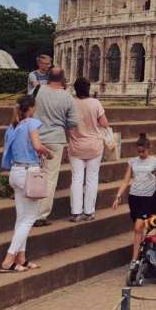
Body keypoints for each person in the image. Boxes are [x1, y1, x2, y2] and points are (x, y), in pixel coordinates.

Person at [0, 95, 53, 272]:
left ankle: (21, 257)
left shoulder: (13, 126)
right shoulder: (31, 123)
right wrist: (47, 152)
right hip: (29, 172)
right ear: (31, 108)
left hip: (15, 172)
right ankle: (9, 258)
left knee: (21, 218)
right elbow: (37, 146)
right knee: (30, 218)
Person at [33, 68, 79, 226]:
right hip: (56, 139)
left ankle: (29, 210)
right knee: (50, 177)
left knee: (33, 173)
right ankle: (41, 214)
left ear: (48, 77)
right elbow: (73, 122)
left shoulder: (38, 90)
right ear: (63, 79)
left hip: (35, 137)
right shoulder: (67, 97)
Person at [112, 134, 156, 270]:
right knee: (139, 228)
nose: (141, 154)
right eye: (138, 151)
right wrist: (118, 195)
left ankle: (134, 259)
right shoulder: (132, 162)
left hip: (149, 197)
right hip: (135, 197)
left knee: (138, 227)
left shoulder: (155, 161)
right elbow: (126, 180)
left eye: (143, 151)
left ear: (148, 149)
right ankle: (141, 254)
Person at [66, 77, 108, 222]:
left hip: (76, 145)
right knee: (92, 179)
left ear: (75, 89)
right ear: (88, 88)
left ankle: (76, 212)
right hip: (94, 146)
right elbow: (104, 123)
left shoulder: (71, 103)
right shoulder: (95, 103)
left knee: (77, 179)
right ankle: (89, 211)